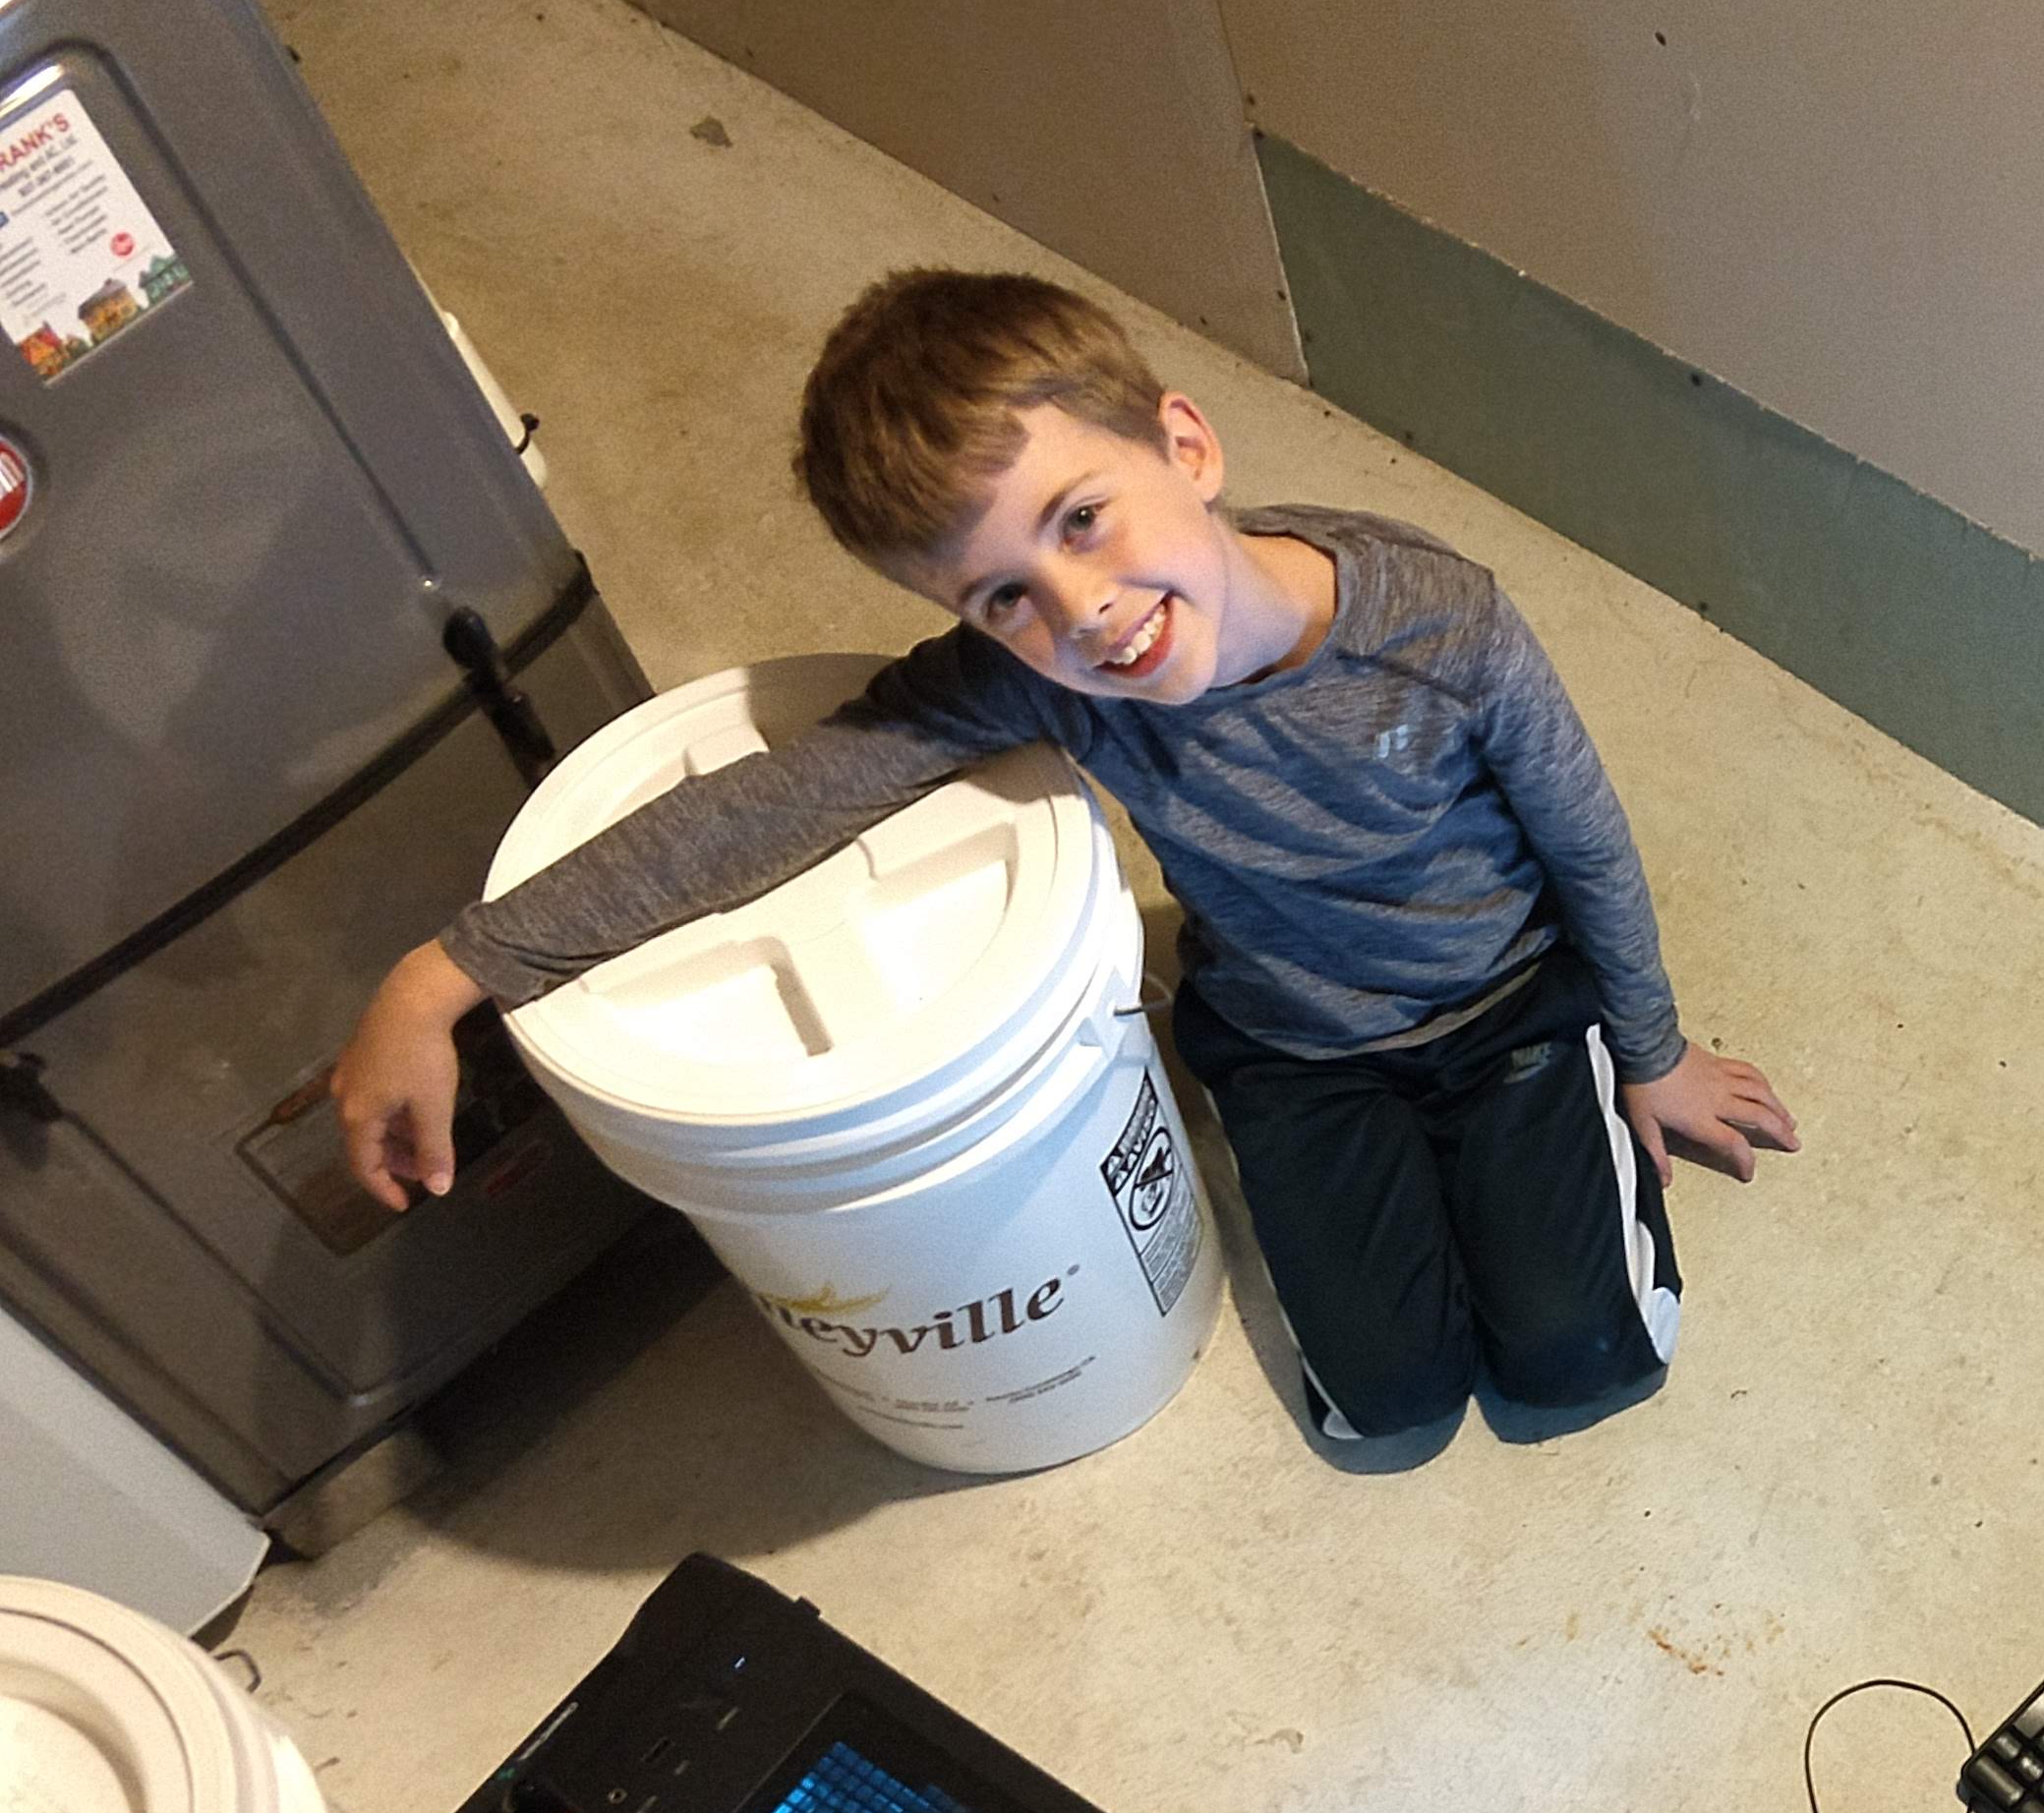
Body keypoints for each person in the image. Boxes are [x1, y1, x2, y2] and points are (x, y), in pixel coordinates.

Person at [331, 268, 1796, 1454]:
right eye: (1002, 596)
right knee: (1390, 1398)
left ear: (1188, 443)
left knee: (1575, 1355)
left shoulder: (1440, 624)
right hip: (1293, 1044)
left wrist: (1652, 1050)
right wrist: (444, 972)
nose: (1085, 610)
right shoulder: (1039, 679)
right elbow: (770, 806)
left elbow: (1582, 832)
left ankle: (1572, 1141)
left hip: (1508, 1003)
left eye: (1083, 518)